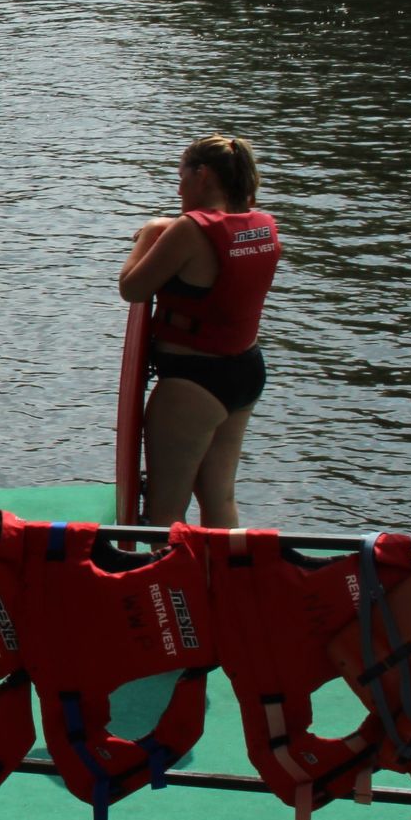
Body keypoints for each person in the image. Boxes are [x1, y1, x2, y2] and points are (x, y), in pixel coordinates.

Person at [118, 134, 279, 528]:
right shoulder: (261, 226)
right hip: (245, 371)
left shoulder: (188, 230)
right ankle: (225, 568)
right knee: (219, 497)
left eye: (182, 178)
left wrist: (151, 231)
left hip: (194, 382)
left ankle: (164, 570)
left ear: (202, 175)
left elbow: (132, 287)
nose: (179, 189)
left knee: (166, 511)